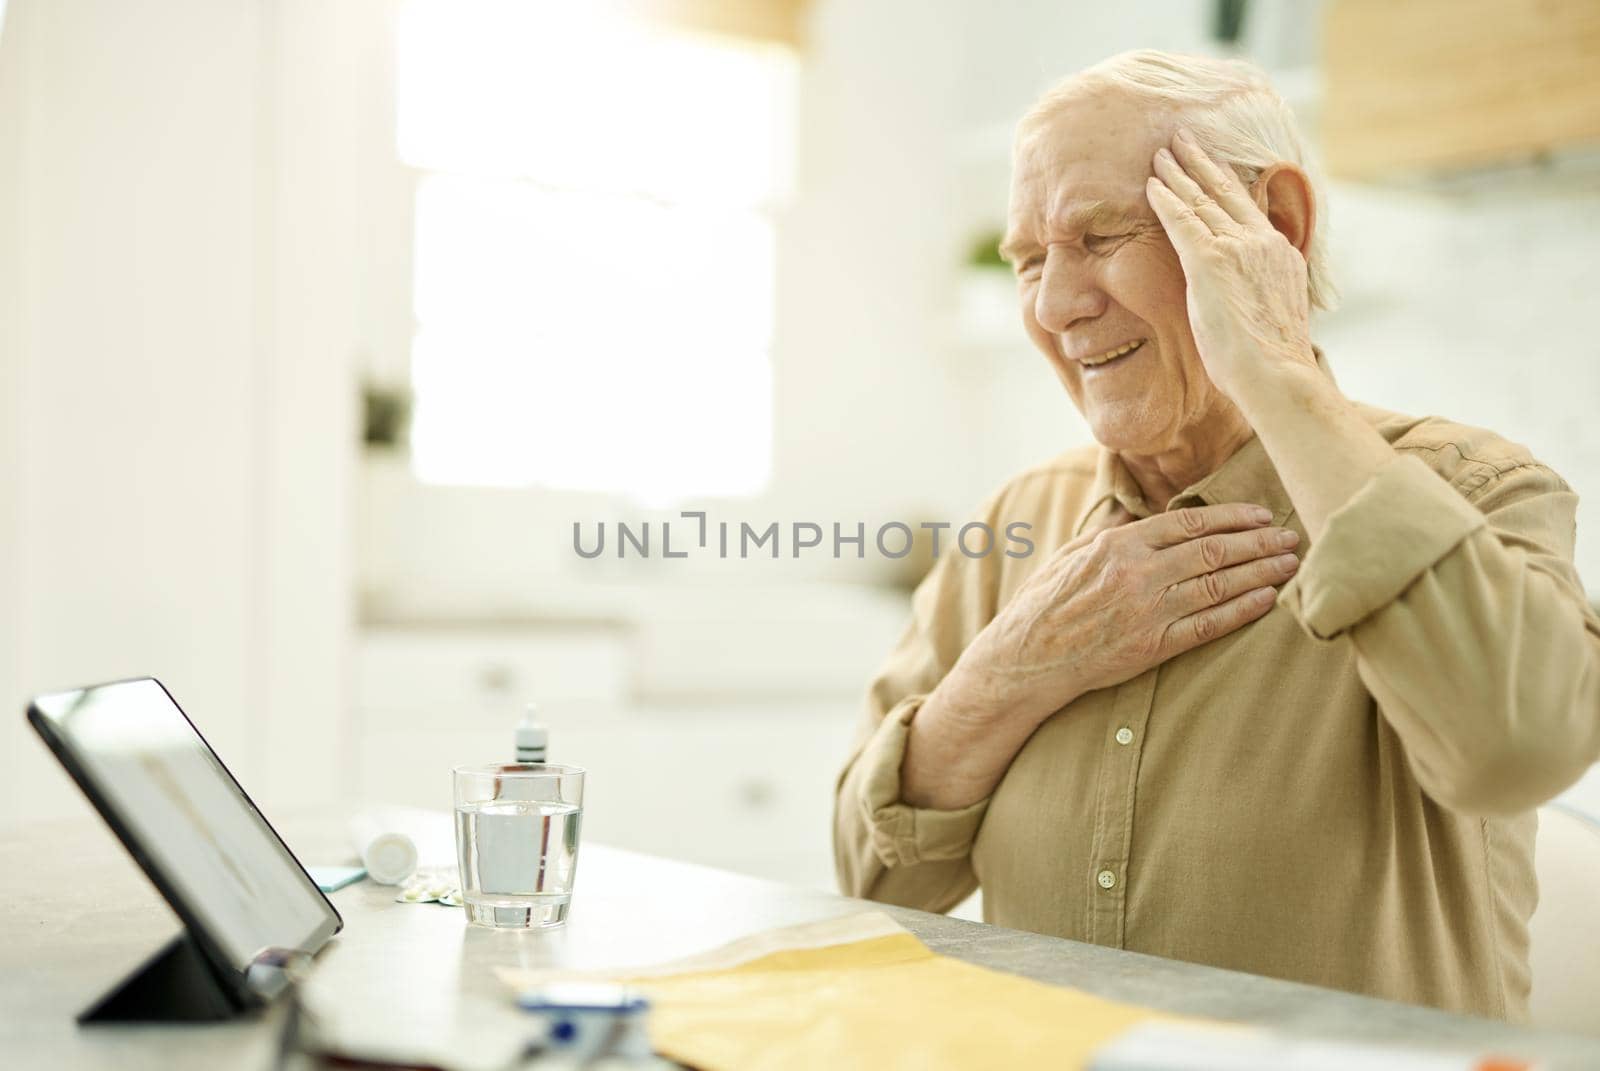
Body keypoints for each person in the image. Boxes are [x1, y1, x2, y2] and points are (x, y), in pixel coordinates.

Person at [833, 49, 1600, 1021]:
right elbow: (869, 879)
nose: (1053, 305)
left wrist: (1273, 369)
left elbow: (1518, 749)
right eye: (1029, 261)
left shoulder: (1476, 487)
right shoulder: (1013, 526)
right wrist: (1005, 678)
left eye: (1101, 234)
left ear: (1272, 228)